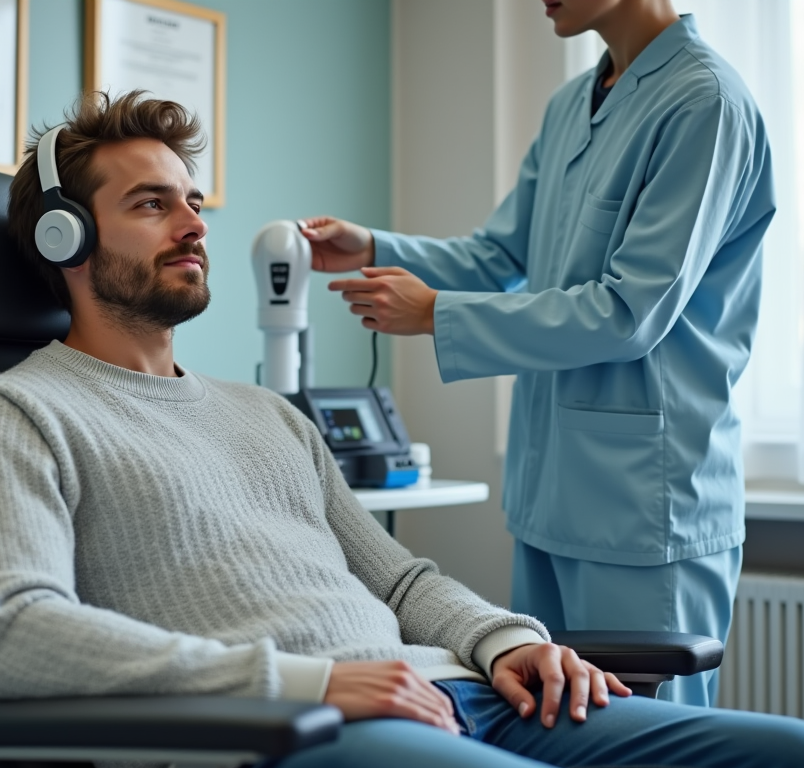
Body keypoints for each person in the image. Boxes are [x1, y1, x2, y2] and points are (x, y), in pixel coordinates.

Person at [0, 90, 804, 768]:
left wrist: (501, 643)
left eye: (192, 201)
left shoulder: (266, 414)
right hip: (274, 737)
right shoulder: (17, 413)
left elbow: (400, 582)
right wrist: (310, 682)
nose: (194, 226)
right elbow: (6, 635)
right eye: (151, 205)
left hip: (456, 695)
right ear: (68, 237)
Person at [300, 0, 773, 707]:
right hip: (550, 495)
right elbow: (502, 254)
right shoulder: (571, 105)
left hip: (646, 504)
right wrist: (374, 248)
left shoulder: (705, 102)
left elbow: (628, 313)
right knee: (559, 736)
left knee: (656, 753)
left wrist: (436, 314)